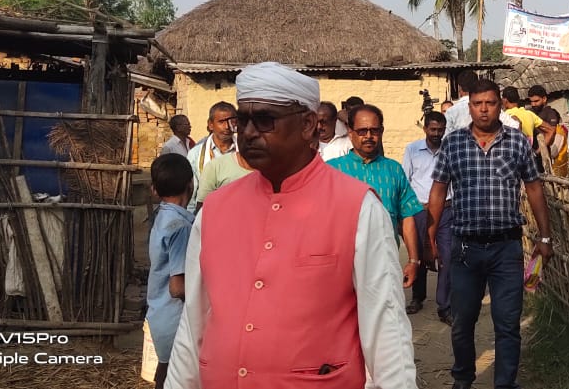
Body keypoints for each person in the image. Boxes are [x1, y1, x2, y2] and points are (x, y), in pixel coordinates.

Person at [166, 62, 416, 388]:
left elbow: (387, 329)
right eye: (243, 120)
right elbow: (193, 323)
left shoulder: (358, 208)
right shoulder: (215, 209)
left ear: (308, 124)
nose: (249, 133)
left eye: (265, 120)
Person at [428, 78, 554, 389]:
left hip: (506, 248)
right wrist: (430, 236)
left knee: (508, 324)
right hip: (465, 250)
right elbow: (439, 190)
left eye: (490, 103)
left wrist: (545, 237)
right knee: (462, 322)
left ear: (500, 105)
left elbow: (534, 188)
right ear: (469, 106)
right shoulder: (453, 144)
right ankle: (463, 378)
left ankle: (505, 383)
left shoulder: (517, 142)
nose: (484, 109)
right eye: (477, 104)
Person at [327, 104, 422, 291]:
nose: (369, 136)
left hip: (385, 265)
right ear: (350, 132)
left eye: (374, 130)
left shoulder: (393, 169)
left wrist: (413, 260)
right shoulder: (332, 170)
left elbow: (407, 216)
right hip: (344, 268)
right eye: (362, 131)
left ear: (382, 131)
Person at [146, 153, 195, 389]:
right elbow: (178, 288)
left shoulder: (162, 216)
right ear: (190, 184)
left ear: (154, 190)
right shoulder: (181, 227)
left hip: (160, 313)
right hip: (175, 319)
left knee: (165, 374)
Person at [401, 111, 447, 318]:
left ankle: (445, 304)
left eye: (440, 130)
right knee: (418, 253)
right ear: (425, 128)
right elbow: (406, 179)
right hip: (420, 209)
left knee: (447, 255)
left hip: (446, 209)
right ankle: (417, 298)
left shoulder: (449, 149)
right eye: (433, 129)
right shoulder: (412, 150)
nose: (436, 133)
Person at [186, 102, 237, 210]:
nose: (227, 127)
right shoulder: (195, 154)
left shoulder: (246, 151)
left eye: (231, 121)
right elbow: (192, 197)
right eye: (221, 122)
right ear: (210, 125)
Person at [444, 71, 518, 135]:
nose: (483, 109)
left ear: (459, 87)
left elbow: (445, 137)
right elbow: (515, 126)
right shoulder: (492, 107)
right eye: (477, 103)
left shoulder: (451, 112)